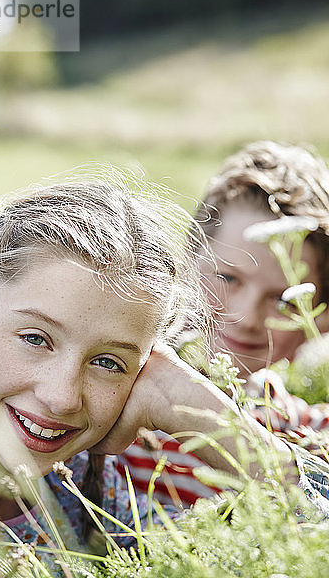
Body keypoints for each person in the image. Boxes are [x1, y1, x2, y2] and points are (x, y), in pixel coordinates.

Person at [0, 175, 298, 577]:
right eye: (36, 338)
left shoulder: (89, 493)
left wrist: (186, 401)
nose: (63, 397)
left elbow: (316, 537)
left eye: (108, 363)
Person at [118, 141, 329, 506]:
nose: (247, 318)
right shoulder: (108, 396)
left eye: (284, 299)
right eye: (228, 278)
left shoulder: (307, 434)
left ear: (320, 315)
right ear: (185, 264)